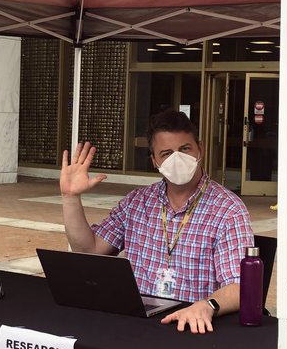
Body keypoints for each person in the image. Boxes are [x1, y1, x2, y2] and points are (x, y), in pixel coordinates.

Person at [60, 109, 254, 334]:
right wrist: (70, 197)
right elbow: (89, 250)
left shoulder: (228, 210)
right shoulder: (137, 202)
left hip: (190, 328)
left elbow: (241, 285)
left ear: (200, 149)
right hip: (136, 325)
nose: (177, 159)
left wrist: (207, 305)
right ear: (154, 160)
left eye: (185, 149)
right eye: (166, 153)